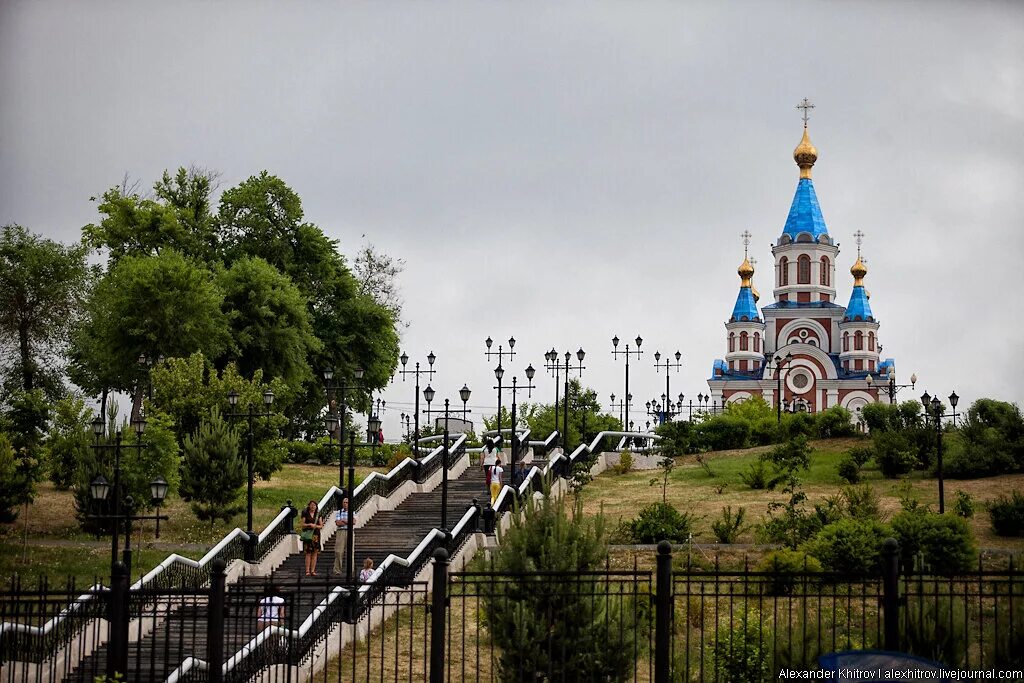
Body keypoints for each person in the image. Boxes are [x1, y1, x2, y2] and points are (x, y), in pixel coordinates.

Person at [333, 497, 355, 577]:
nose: (345, 504)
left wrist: (344, 521)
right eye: (344, 502)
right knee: (338, 551)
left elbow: (353, 522)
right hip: (340, 532)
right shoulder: (339, 512)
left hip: (350, 532)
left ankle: (351, 570)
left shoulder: (352, 512)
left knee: (350, 552)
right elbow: (338, 523)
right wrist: (348, 521)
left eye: (347, 502)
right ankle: (337, 570)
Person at [301, 500, 324, 576]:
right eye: (311, 505)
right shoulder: (305, 513)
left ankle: (313, 570)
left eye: (314, 505)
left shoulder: (318, 514)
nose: (313, 507)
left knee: (315, 553)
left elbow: (321, 525)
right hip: (308, 535)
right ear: (309, 506)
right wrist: (309, 525)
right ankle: (307, 570)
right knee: (308, 552)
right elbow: (302, 524)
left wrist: (315, 526)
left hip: (316, 535)